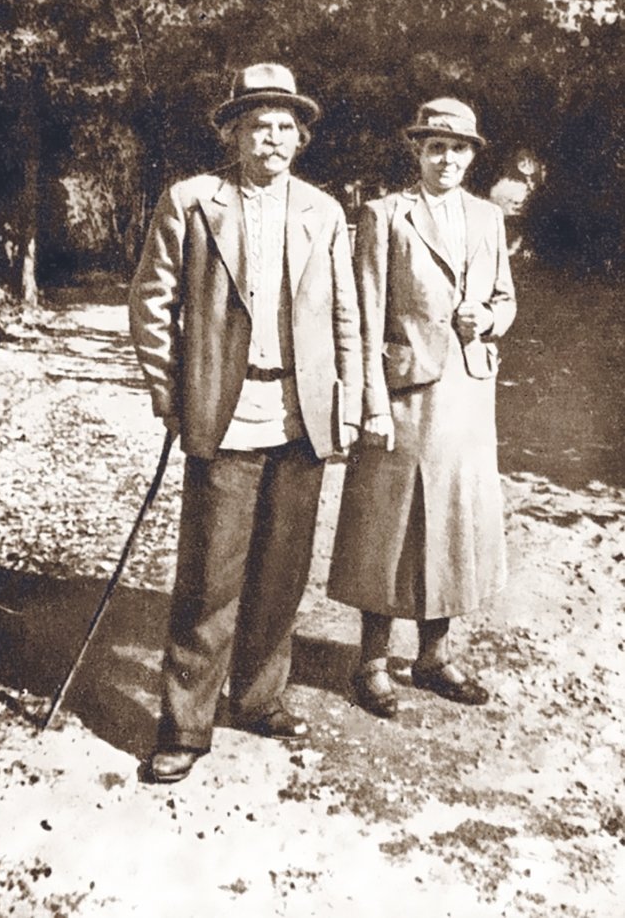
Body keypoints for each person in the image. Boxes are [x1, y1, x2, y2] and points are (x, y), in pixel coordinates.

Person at [129, 63, 362, 782]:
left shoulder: (323, 211)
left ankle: (259, 698)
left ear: (301, 138)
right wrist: (172, 395)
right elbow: (151, 304)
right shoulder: (193, 201)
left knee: (281, 574)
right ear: (232, 134)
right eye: (259, 125)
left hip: (301, 416)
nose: (274, 138)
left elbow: (346, 315)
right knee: (209, 579)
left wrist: (349, 402)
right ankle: (185, 727)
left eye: (286, 127)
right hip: (225, 416)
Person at [329, 98, 516, 717]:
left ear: (471, 156)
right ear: (417, 150)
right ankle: (372, 663)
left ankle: (434, 657)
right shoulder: (385, 214)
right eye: (436, 147)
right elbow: (363, 314)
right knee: (389, 525)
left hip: (467, 394)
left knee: (454, 523)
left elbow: (506, 299)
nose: (447, 159)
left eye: (458, 148)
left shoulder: (488, 218)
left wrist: (487, 318)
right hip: (403, 394)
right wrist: (372, 403)